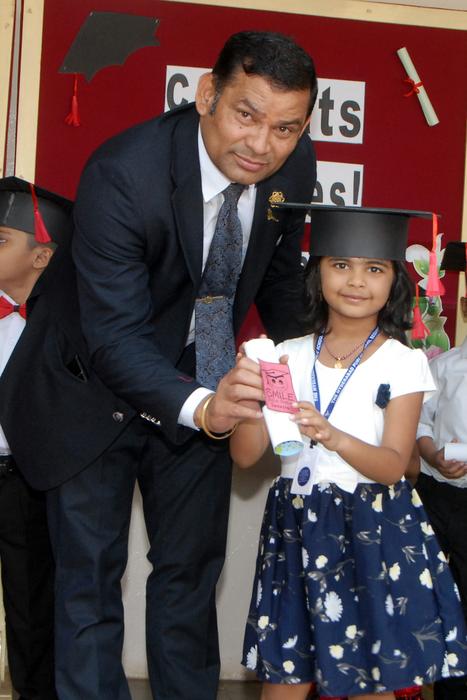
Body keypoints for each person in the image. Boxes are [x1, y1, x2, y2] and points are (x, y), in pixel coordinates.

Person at [65, 31, 318, 700]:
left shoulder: (293, 168)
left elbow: (280, 286)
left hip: (206, 378)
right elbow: (114, 334)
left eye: (286, 127)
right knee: (90, 580)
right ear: (207, 95)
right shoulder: (125, 172)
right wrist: (203, 406)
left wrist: (322, 368)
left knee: (189, 573)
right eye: (246, 114)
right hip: (91, 388)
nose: (262, 144)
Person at [230, 206, 467, 700]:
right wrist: (248, 394)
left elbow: (393, 466)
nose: (356, 281)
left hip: (372, 529)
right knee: (285, 675)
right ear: (317, 274)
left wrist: (332, 435)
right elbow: (246, 456)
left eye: (374, 268)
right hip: (296, 527)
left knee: (369, 678)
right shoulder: (287, 355)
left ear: (393, 282)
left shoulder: (403, 363)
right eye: (340, 265)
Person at [0, 177, 134, 698]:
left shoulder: (76, 324)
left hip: (34, 477)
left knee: (38, 603)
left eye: (2, 239)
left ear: (42, 257)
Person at [416, 240, 467, 700]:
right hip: (440, 495)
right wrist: (433, 456)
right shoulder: (444, 367)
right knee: (438, 595)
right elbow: (421, 423)